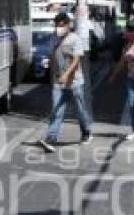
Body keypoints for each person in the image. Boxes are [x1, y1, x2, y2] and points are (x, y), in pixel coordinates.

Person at [38, 12, 93, 153]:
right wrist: (52, 78)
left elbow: (76, 60)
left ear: (68, 25)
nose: (59, 28)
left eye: (62, 25)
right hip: (58, 82)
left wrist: (66, 75)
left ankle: (86, 132)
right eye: (57, 25)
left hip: (75, 82)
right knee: (56, 110)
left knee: (80, 110)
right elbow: (52, 59)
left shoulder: (75, 39)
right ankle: (51, 139)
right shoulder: (53, 39)